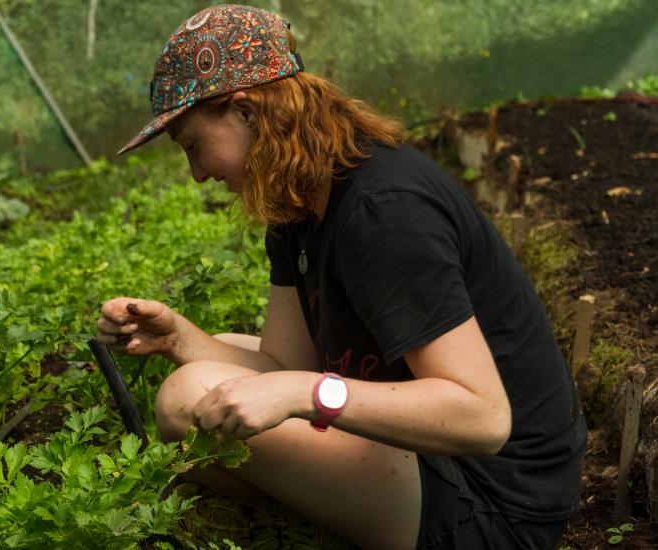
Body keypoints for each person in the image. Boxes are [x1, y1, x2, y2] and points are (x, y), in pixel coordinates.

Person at [95, 5, 586, 549]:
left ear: (248, 111)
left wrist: (310, 393)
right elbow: (285, 365)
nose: (198, 173)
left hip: (495, 505)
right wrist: (180, 338)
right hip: (431, 459)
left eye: (193, 145)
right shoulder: (297, 208)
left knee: (190, 399)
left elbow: (483, 418)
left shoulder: (383, 212)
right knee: (216, 367)